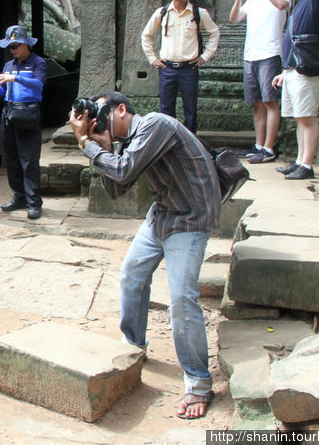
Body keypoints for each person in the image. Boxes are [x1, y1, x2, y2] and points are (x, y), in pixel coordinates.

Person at [68, 91, 220, 420]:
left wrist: (86, 144)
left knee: (181, 297)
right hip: (163, 214)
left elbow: (122, 172)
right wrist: (103, 147)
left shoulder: (155, 124)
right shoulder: (129, 144)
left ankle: (198, 382)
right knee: (132, 276)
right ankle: (133, 346)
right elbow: (116, 188)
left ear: (122, 109)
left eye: (102, 115)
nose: (98, 122)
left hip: (190, 218)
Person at [271, 0, 319, 180]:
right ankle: (299, 161)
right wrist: (285, 71)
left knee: (307, 117)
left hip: (307, 71)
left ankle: (307, 164)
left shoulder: (316, 0)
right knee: (299, 118)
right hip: (294, 69)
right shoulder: (300, 5)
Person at [141, 0, 220, 134]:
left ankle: (190, 141)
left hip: (188, 68)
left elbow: (214, 32)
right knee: (166, 108)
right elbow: (146, 34)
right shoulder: (162, 12)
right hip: (167, 68)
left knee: (190, 108)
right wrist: (152, 58)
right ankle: (168, 140)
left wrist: (205, 56)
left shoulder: (198, 13)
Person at [229, 0, 290, 164]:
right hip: (251, 54)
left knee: (270, 101)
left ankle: (269, 147)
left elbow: (282, 5)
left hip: (270, 52)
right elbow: (235, 17)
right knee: (257, 103)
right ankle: (259, 144)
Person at [0, 25, 46, 220]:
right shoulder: (9, 65)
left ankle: (34, 201)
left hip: (29, 112)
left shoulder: (38, 63)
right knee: (12, 157)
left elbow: (39, 84)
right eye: (10, 47)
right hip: (9, 111)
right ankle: (19, 196)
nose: (12, 50)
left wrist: (15, 78)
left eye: (15, 46)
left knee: (29, 159)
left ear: (25, 44)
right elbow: (3, 93)